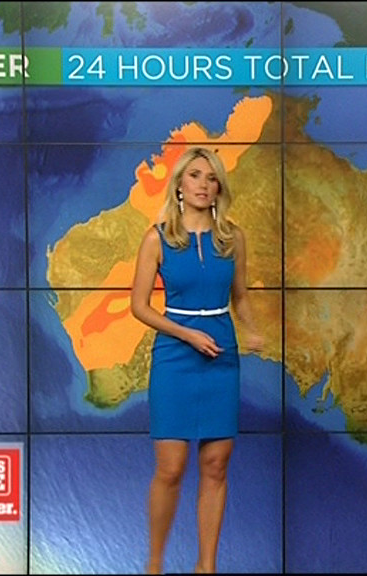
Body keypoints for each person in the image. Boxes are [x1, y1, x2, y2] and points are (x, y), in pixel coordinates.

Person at [130, 146, 264, 574]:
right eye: (195, 176)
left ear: (219, 187)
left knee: (216, 464)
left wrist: (252, 329)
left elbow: (240, 296)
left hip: (221, 354)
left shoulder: (232, 238)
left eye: (211, 178)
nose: (204, 185)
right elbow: (139, 307)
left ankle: (206, 566)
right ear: (180, 186)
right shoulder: (158, 238)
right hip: (175, 354)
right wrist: (187, 334)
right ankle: (154, 564)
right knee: (171, 468)